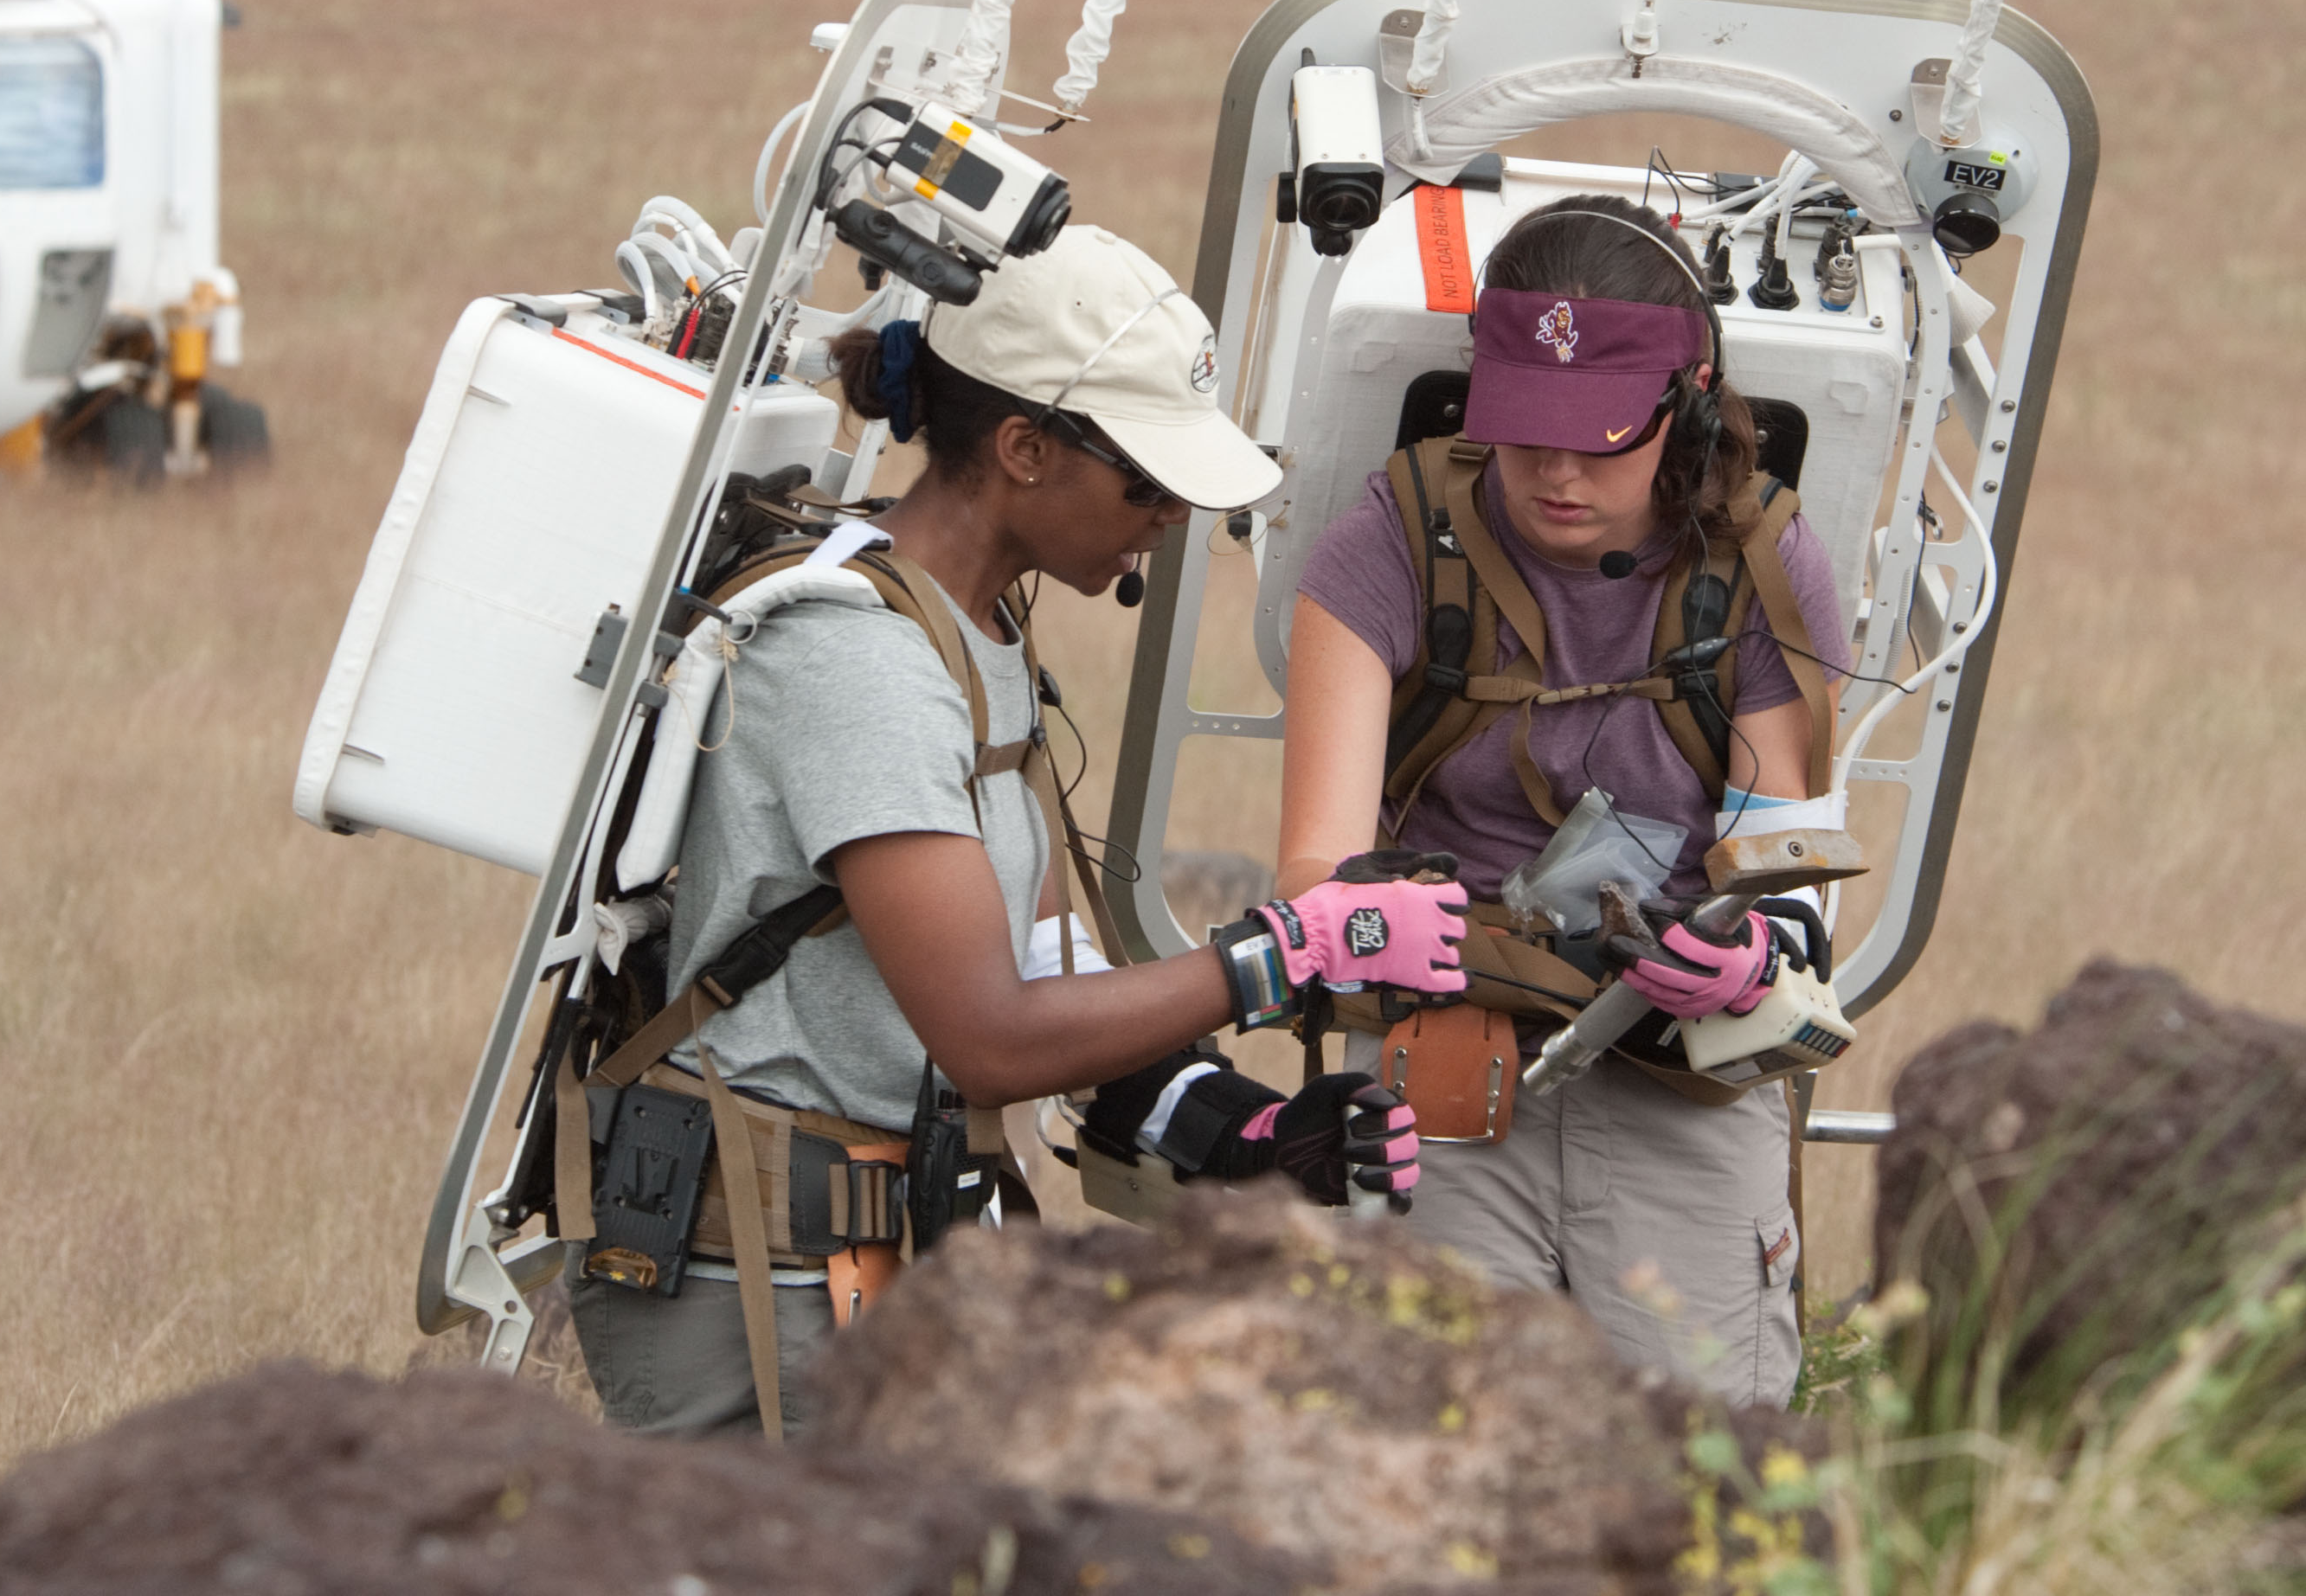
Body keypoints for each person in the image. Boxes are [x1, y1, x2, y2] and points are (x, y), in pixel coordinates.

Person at [565, 225, 1470, 1439]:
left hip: (881, 1265)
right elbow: (990, 1037)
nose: (1167, 517)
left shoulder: (973, 634)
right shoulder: (859, 660)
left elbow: (1048, 970)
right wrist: (1286, 953)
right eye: (1148, 480)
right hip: (760, 1291)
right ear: (1025, 450)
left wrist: (1237, 1132)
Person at [1275, 194, 1849, 1403]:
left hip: (1682, 1068)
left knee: (1702, 1470)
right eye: (1527, 430)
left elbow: (1780, 856)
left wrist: (1749, 956)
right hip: (1450, 1053)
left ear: (1688, 400)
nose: (1557, 472)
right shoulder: (1389, 545)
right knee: (1441, 1454)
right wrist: (1377, 921)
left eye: (1602, 437)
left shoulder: (1761, 565)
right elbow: (1315, 867)